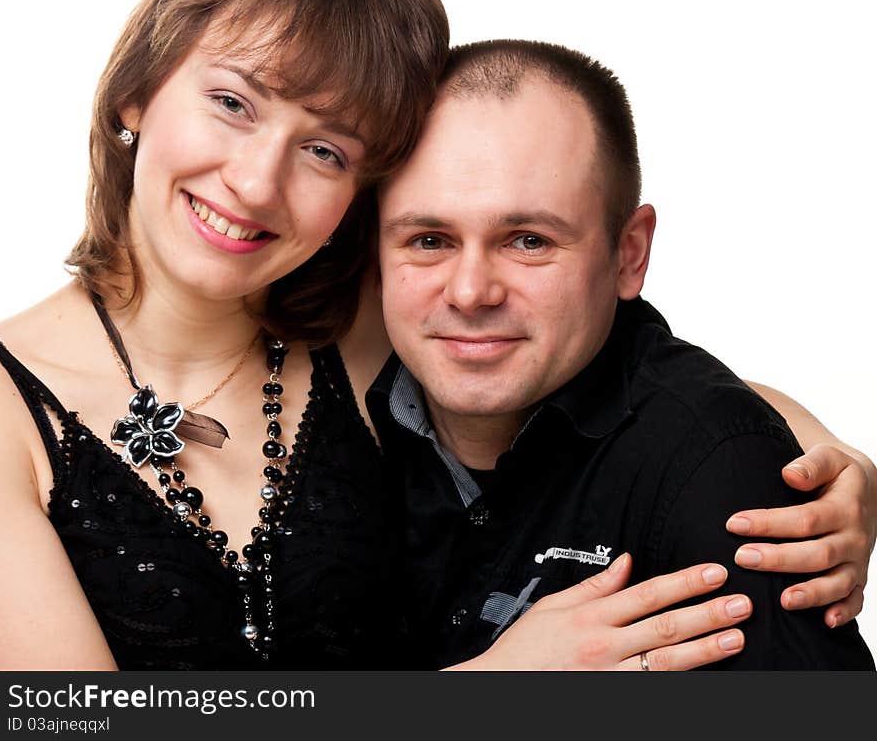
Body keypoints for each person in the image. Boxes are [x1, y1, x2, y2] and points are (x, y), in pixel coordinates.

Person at [0, 0, 872, 672]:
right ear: (136, 93)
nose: (257, 182)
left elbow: (613, 371)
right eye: (232, 102)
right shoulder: (8, 414)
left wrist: (822, 461)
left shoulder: (367, 330)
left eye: (326, 150)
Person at [370, 39, 876, 670]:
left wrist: (755, 440)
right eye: (429, 239)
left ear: (630, 253)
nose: (471, 292)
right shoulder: (304, 401)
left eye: (528, 240)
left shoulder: (722, 475)